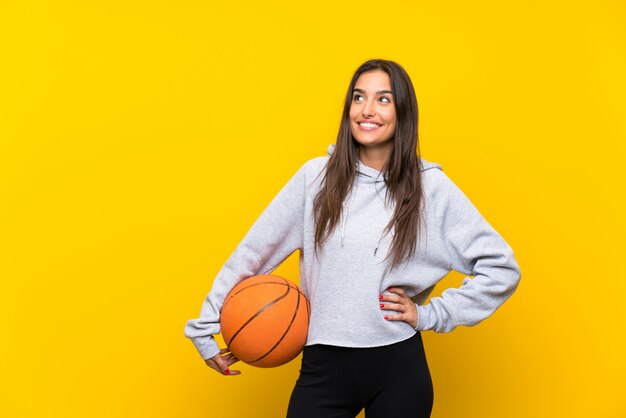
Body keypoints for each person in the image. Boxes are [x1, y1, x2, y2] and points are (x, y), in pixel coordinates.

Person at [184, 58, 521, 418]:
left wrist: (431, 315)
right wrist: (205, 328)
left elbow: (501, 268)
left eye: (383, 99)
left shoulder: (430, 187)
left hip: (398, 365)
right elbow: (254, 252)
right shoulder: (315, 178)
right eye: (358, 97)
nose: (367, 110)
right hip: (323, 366)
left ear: (403, 111)